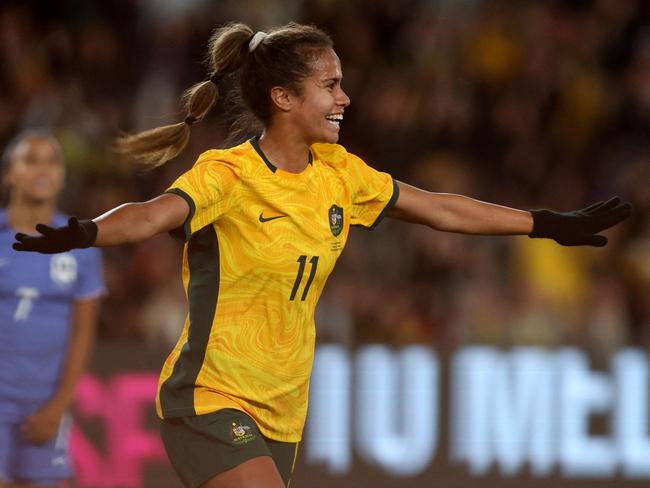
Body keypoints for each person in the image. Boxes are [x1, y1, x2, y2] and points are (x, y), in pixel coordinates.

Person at [12, 23, 631, 488]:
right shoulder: (227, 175)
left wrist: (543, 223)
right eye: (331, 85)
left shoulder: (339, 174)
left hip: (284, 410)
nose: (346, 97)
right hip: (209, 397)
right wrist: (85, 231)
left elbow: (440, 208)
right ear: (283, 97)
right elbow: (151, 215)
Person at [0, 131, 105, 488]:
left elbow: (84, 331)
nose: (43, 170)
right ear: (8, 174)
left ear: (61, 175)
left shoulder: (80, 244)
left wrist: (60, 404)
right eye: (31, 160)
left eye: (52, 161)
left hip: (45, 401)